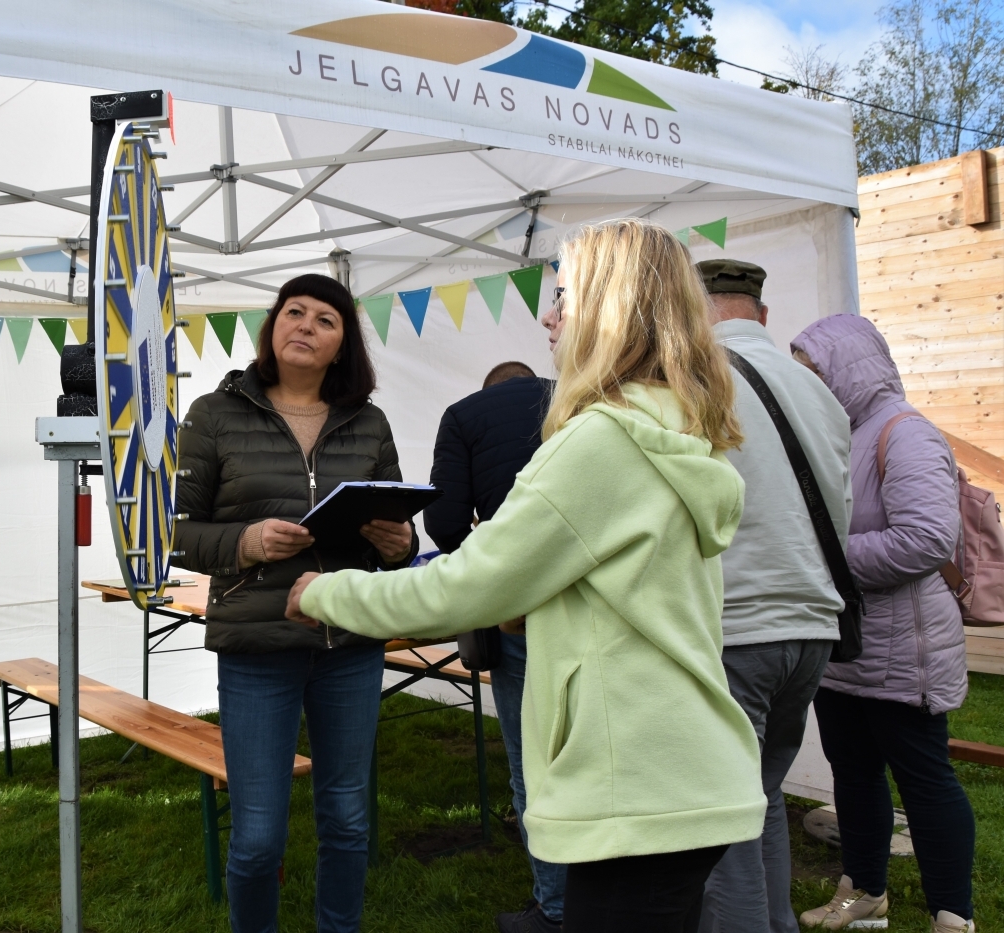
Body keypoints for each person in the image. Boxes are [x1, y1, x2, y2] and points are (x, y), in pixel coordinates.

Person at [286, 219, 768, 933]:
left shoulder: (603, 442)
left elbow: (459, 587)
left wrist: (324, 591)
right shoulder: (678, 432)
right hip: (682, 770)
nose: (548, 316)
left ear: (609, 309)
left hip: (634, 784)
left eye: (565, 296)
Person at [171, 273, 418, 933]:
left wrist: (398, 541)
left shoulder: (368, 421)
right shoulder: (213, 414)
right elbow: (172, 530)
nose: (306, 325)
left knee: (347, 816)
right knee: (256, 836)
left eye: (325, 319)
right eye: (294, 312)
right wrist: (245, 541)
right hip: (257, 649)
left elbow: (395, 523)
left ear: (343, 346)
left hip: (352, 641)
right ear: (272, 326)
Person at [790, 315, 976, 933]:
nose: (805, 382)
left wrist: (821, 557)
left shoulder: (906, 433)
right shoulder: (837, 433)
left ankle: (952, 913)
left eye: (812, 370)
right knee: (854, 774)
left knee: (926, 783)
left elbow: (924, 541)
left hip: (905, 651)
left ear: (846, 369)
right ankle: (865, 891)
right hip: (848, 647)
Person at [691, 260, 853, 933]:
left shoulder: (695, 380)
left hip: (738, 621)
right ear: (759, 315)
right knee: (758, 799)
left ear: (697, 311)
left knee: (719, 820)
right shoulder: (819, 391)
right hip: (812, 625)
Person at [425, 360, 565, 933]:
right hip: (602, 603)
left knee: (534, 761)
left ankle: (556, 908)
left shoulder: (463, 416)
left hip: (523, 612)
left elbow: (446, 522)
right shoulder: (581, 392)